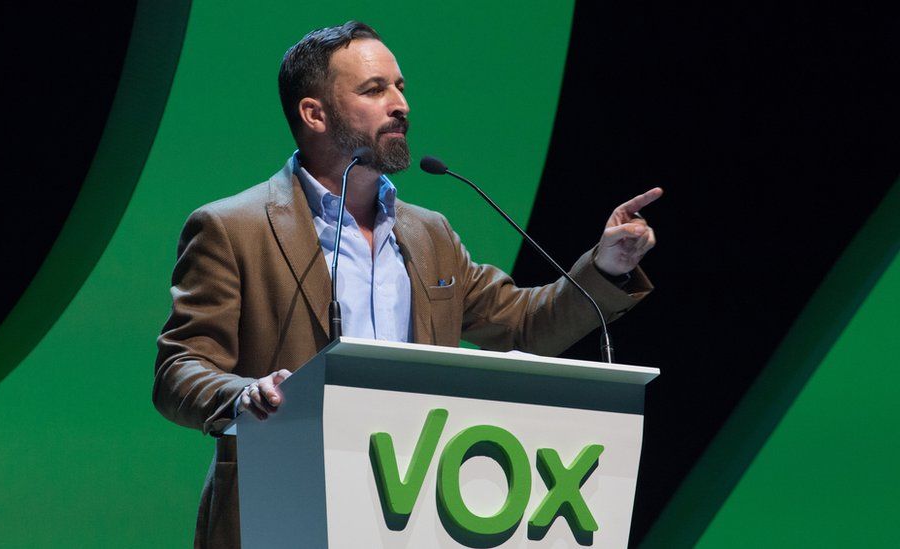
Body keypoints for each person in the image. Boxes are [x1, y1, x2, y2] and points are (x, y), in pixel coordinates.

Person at [153, 21, 660, 548]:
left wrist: (605, 266)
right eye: (375, 90)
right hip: (281, 506)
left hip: (413, 512)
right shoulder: (232, 228)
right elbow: (179, 369)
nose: (401, 105)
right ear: (314, 113)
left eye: (400, 87)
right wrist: (244, 395)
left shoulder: (428, 232)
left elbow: (522, 324)